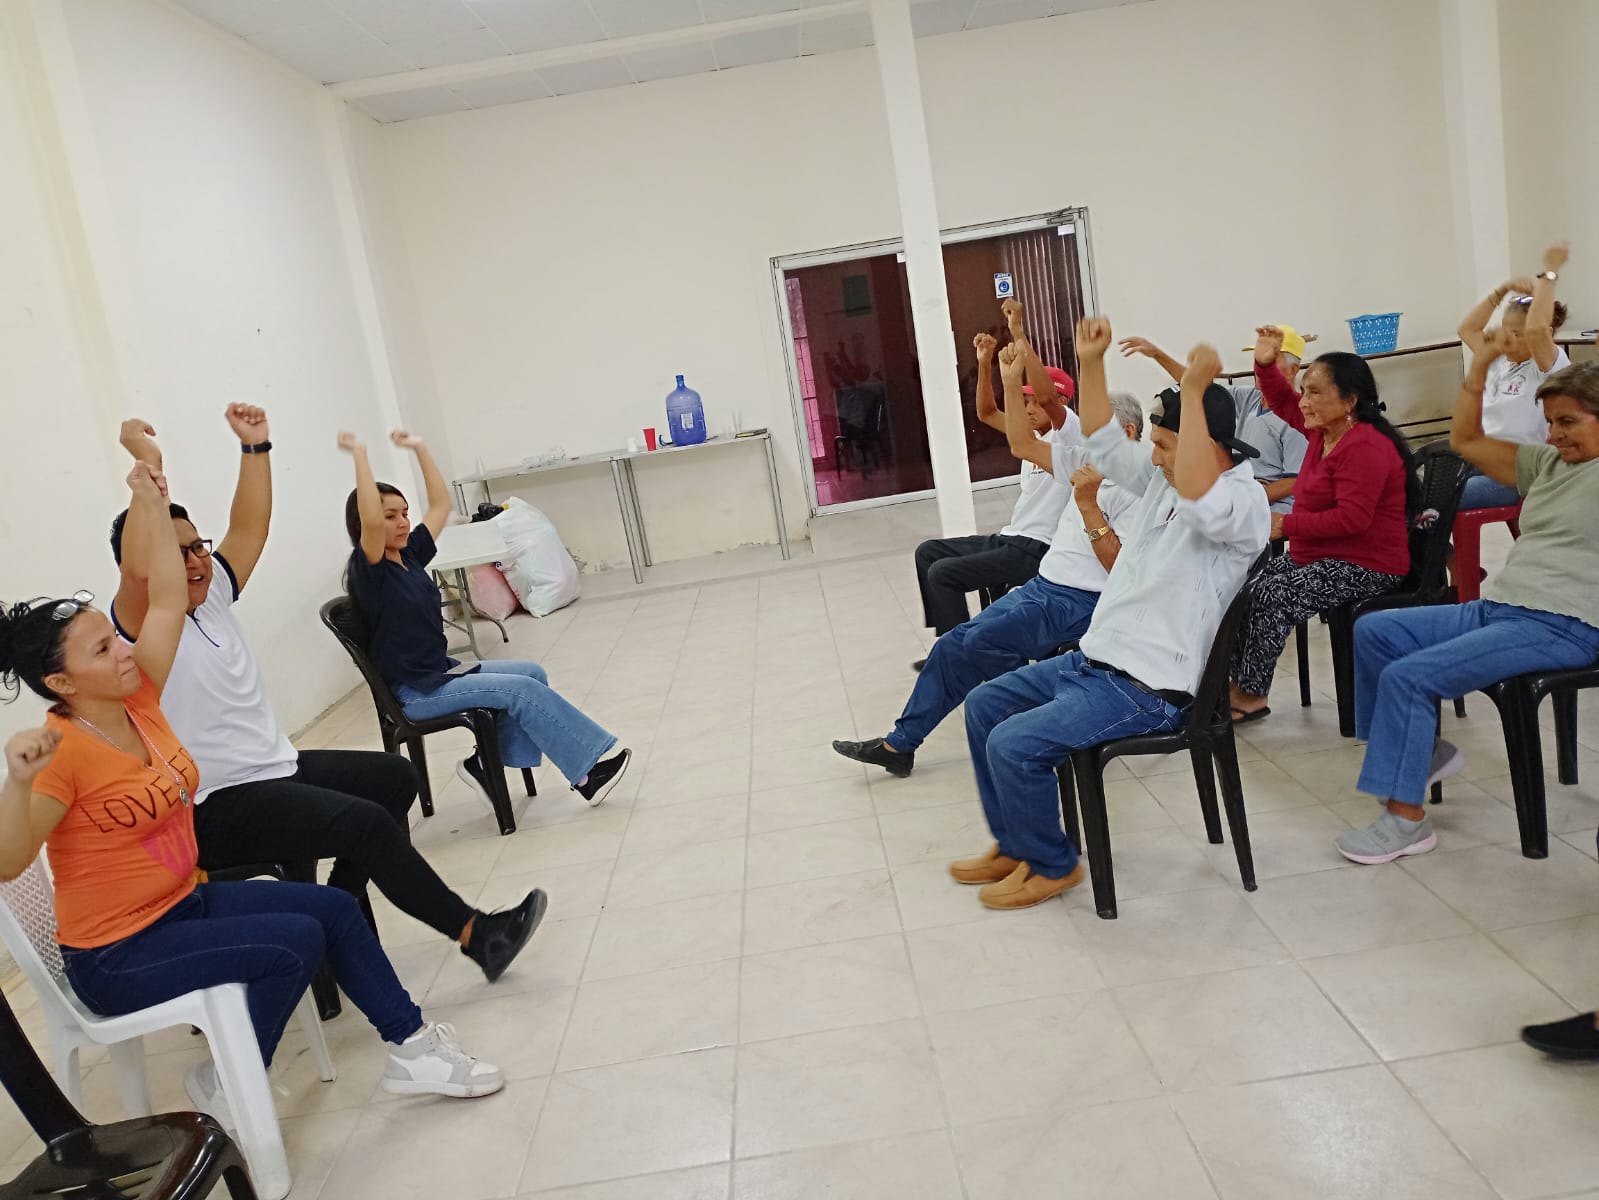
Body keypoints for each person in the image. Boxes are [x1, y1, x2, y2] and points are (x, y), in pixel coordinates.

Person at [0, 464, 505, 1128]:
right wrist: (17, 782)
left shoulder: (139, 695)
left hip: (182, 903)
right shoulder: (60, 752)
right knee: (295, 940)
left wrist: (149, 497)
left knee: (332, 909)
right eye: (102, 649)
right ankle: (231, 1078)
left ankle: (411, 1050)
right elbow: (9, 861)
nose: (122, 650)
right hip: (117, 952)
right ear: (62, 683)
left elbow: (165, 598)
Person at [111, 410, 542, 985]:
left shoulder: (209, 598)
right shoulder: (143, 624)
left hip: (275, 768)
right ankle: (476, 934)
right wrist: (148, 472)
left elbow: (249, 527)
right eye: (178, 552)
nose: (195, 561)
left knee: (395, 780)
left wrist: (256, 448)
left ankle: (335, 917)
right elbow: (141, 566)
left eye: (198, 548)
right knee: (365, 824)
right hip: (215, 801)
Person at [952, 317, 1270, 910]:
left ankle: (1053, 865)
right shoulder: (1164, 481)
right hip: (1098, 661)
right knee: (985, 705)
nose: (1155, 456)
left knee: (1014, 743)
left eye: (1166, 445)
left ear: (1207, 447)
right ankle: (1017, 843)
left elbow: (1202, 496)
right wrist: (1092, 363)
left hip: (1149, 688)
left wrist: (1193, 393)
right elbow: (1101, 440)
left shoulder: (1240, 504)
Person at [833, 306, 1144, 777]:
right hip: (1044, 588)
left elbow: (1120, 569)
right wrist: (1005, 376)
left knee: (965, 646)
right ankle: (901, 745)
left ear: (1129, 434)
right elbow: (1019, 441)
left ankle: (918, 737)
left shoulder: (1137, 486)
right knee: (954, 643)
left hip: (1072, 600)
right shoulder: (1087, 460)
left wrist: (1088, 506)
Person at [1333, 330, 1599, 869]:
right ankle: (1420, 752)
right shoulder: (1549, 464)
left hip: (1563, 624)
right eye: (1549, 422)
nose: (1554, 435)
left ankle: (1407, 822)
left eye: (1568, 422)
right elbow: (1466, 440)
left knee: (1409, 677)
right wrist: (1479, 367)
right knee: (1376, 630)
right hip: (1504, 609)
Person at [340, 429, 630, 806]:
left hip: (439, 673)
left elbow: (440, 505)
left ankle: (484, 765)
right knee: (521, 692)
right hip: (414, 693)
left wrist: (421, 448)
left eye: (405, 513)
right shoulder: (372, 569)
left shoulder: (409, 556)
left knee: (531, 673)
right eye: (390, 516)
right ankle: (587, 774)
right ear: (366, 525)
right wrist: (360, 456)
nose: (403, 522)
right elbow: (369, 517)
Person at [1226, 328, 1420, 721]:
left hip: (1366, 565)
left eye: (1315, 392)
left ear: (1349, 400)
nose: (1304, 401)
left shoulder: (1365, 446)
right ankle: (1234, 681)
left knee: (1273, 595)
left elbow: (1353, 519)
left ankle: (1251, 694)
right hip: (1324, 555)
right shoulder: (1324, 433)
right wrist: (1264, 364)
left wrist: (1289, 525)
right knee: (1242, 585)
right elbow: (1282, 399)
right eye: (1304, 390)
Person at [910, 312, 1078, 665]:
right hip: (1011, 537)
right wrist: (985, 363)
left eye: (1035, 402)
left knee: (944, 574)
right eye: (1025, 401)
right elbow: (987, 413)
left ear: (1060, 402)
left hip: (1038, 548)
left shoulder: (1070, 437)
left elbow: (1048, 397)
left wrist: (1018, 333)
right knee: (929, 553)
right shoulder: (1029, 436)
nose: (1028, 408)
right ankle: (949, 644)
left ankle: (958, 658)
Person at [1120, 326, 1310, 514]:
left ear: (1293, 370)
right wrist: (1157, 354)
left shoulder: (1300, 417)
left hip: (1272, 509)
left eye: (1271, 360)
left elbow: (1296, 480)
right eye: (1259, 360)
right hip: (1240, 492)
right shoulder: (1251, 398)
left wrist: (1246, 500)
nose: (1259, 368)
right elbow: (1202, 387)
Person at [1455, 242, 1572, 509]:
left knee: (1441, 500)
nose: (1508, 337)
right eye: (1505, 329)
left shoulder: (1549, 368)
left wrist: (1549, 272)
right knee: (1420, 489)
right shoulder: (1499, 359)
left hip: (1515, 473)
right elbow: (1467, 329)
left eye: (1517, 333)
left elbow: (1536, 331)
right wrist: (1502, 290)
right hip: (1480, 458)